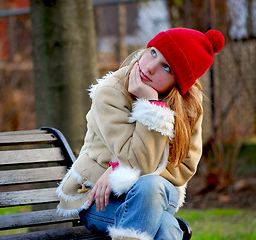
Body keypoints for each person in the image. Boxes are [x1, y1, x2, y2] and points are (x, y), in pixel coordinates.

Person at [56, 28, 225, 240]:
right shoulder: (110, 93)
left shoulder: (189, 104)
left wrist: (118, 169)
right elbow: (139, 161)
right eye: (153, 53)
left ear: (178, 83)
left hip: (158, 194)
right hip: (101, 199)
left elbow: (184, 168)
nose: (150, 67)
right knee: (165, 228)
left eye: (166, 68)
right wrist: (152, 110)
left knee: (150, 185)